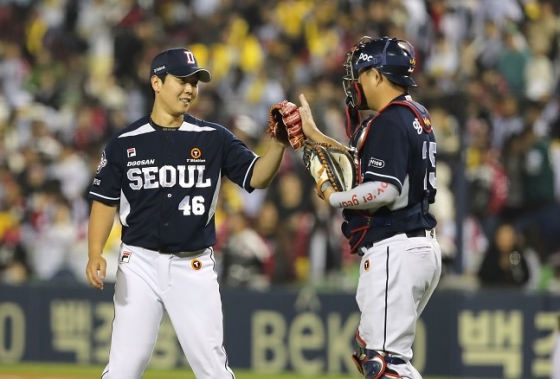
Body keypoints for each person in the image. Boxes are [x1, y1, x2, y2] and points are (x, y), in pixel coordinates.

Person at [85, 47, 288, 379]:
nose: (190, 89)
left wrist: (278, 145)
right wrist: (95, 252)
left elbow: (257, 176)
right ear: (156, 82)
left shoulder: (214, 138)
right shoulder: (125, 142)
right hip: (139, 264)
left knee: (212, 369)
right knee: (124, 368)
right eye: (182, 80)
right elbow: (105, 201)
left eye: (195, 82)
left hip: (193, 266)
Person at [297, 36, 442, 379]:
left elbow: (384, 188)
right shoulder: (413, 114)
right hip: (414, 244)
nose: (356, 82)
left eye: (361, 73)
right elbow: (364, 166)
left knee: (385, 364)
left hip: (395, 247)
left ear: (377, 76)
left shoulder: (389, 120)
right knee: (385, 360)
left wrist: (333, 197)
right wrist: (316, 135)